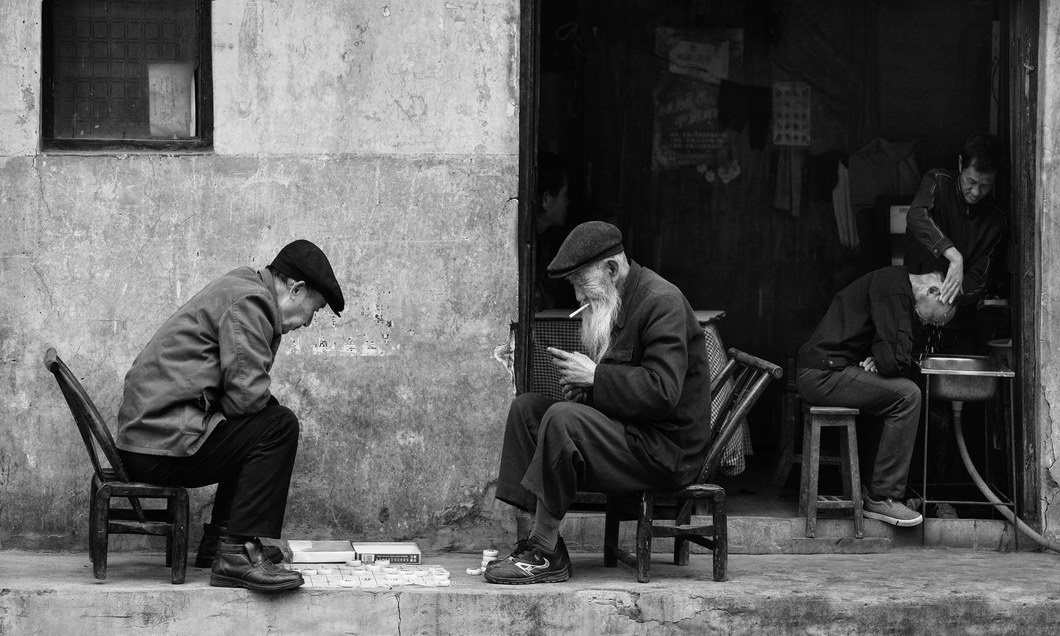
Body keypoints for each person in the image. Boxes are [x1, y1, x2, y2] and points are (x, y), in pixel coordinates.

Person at [485, 221, 711, 584]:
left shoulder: (661, 302)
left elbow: (663, 391)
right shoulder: (622, 298)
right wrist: (591, 392)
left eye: (580, 283)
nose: (577, 297)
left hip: (664, 450)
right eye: (574, 285)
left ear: (611, 269)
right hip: (633, 433)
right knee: (527, 409)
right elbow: (629, 386)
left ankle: (544, 554)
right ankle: (537, 542)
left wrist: (596, 377)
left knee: (561, 419)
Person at [115, 239, 344, 592]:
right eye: (313, 310)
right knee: (278, 426)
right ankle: (235, 554)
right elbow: (247, 397)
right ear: (295, 288)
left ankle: (220, 541)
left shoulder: (244, 286)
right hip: (160, 443)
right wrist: (265, 410)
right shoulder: (251, 302)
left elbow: (242, 397)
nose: (309, 323)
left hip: (153, 436)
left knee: (262, 422)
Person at [796, 266, 955, 528]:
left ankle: (876, 487)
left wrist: (879, 358)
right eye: (933, 319)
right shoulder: (893, 290)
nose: (927, 324)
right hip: (822, 374)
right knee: (908, 395)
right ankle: (883, 497)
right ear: (933, 291)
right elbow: (893, 360)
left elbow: (888, 353)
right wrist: (884, 360)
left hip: (832, 369)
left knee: (896, 391)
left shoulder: (893, 284)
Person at [903, 131, 1006, 350]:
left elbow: (978, 280)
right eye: (971, 181)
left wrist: (949, 292)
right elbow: (916, 215)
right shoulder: (938, 183)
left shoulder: (994, 221)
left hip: (959, 323)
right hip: (913, 310)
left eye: (986, 185)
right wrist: (954, 256)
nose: (976, 192)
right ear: (960, 164)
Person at [533, 151, 577, 310]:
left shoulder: (545, 240)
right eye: (564, 194)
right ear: (546, 200)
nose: (567, 201)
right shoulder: (529, 246)